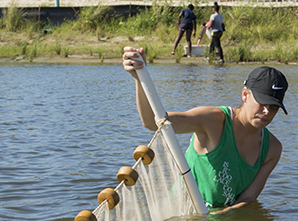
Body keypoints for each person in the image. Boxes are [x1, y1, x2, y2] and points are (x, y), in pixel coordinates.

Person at [121, 46, 287, 209]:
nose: (266, 111)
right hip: (182, 214)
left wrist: (218, 220)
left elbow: (248, 198)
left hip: (218, 218)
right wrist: (139, 77)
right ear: (245, 94)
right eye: (262, 102)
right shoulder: (212, 120)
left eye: (273, 106)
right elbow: (151, 121)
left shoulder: (272, 149)